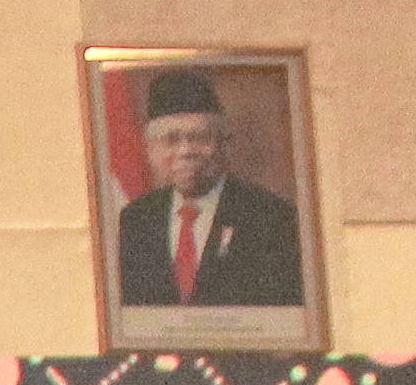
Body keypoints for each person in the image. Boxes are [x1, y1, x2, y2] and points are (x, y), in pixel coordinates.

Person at [113, 68, 309, 315]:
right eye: (171, 140)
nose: (186, 151)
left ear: (224, 143)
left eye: (199, 138)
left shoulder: (273, 219)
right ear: (149, 149)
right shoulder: (134, 221)